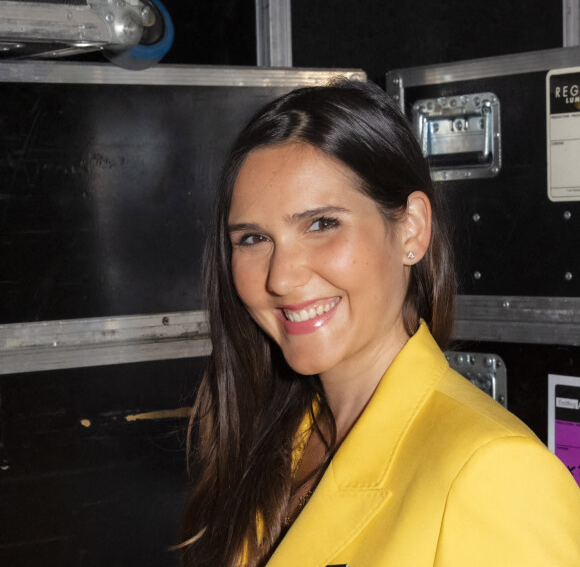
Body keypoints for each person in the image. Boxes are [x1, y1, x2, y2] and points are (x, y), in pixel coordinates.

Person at [178, 79, 580, 566]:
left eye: (322, 224)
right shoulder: (274, 439)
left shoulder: (496, 473)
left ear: (411, 229)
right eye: (253, 239)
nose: (281, 278)